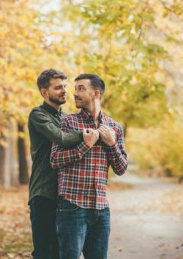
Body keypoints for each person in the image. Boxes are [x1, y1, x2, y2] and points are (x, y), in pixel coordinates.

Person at [50, 73, 128, 259]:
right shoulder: (68, 122)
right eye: (75, 89)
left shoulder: (114, 127)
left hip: (101, 209)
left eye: (81, 89)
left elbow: (121, 168)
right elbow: (55, 160)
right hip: (72, 206)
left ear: (95, 93)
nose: (74, 93)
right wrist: (86, 145)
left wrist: (112, 144)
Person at [28, 69, 98, 259]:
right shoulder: (38, 115)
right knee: (44, 250)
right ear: (44, 92)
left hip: (64, 194)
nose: (64, 91)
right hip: (43, 192)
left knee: (61, 251)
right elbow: (61, 138)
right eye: (58, 87)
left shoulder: (65, 117)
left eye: (65, 87)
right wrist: (89, 133)